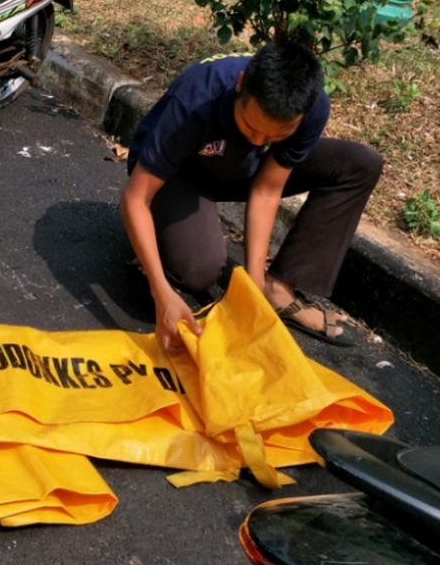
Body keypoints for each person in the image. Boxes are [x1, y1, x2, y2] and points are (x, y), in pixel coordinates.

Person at [119, 42, 383, 354]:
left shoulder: (310, 109)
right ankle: (160, 237)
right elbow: (135, 198)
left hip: (242, 168)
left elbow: (267, 189)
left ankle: (277, 288)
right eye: (250, 126)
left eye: (275, 137)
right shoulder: (196, 97)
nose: (257, 140)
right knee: (199, 271)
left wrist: (254, 285)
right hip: (179, 174)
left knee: (359, 164)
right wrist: (160, 291)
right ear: (241, 84)